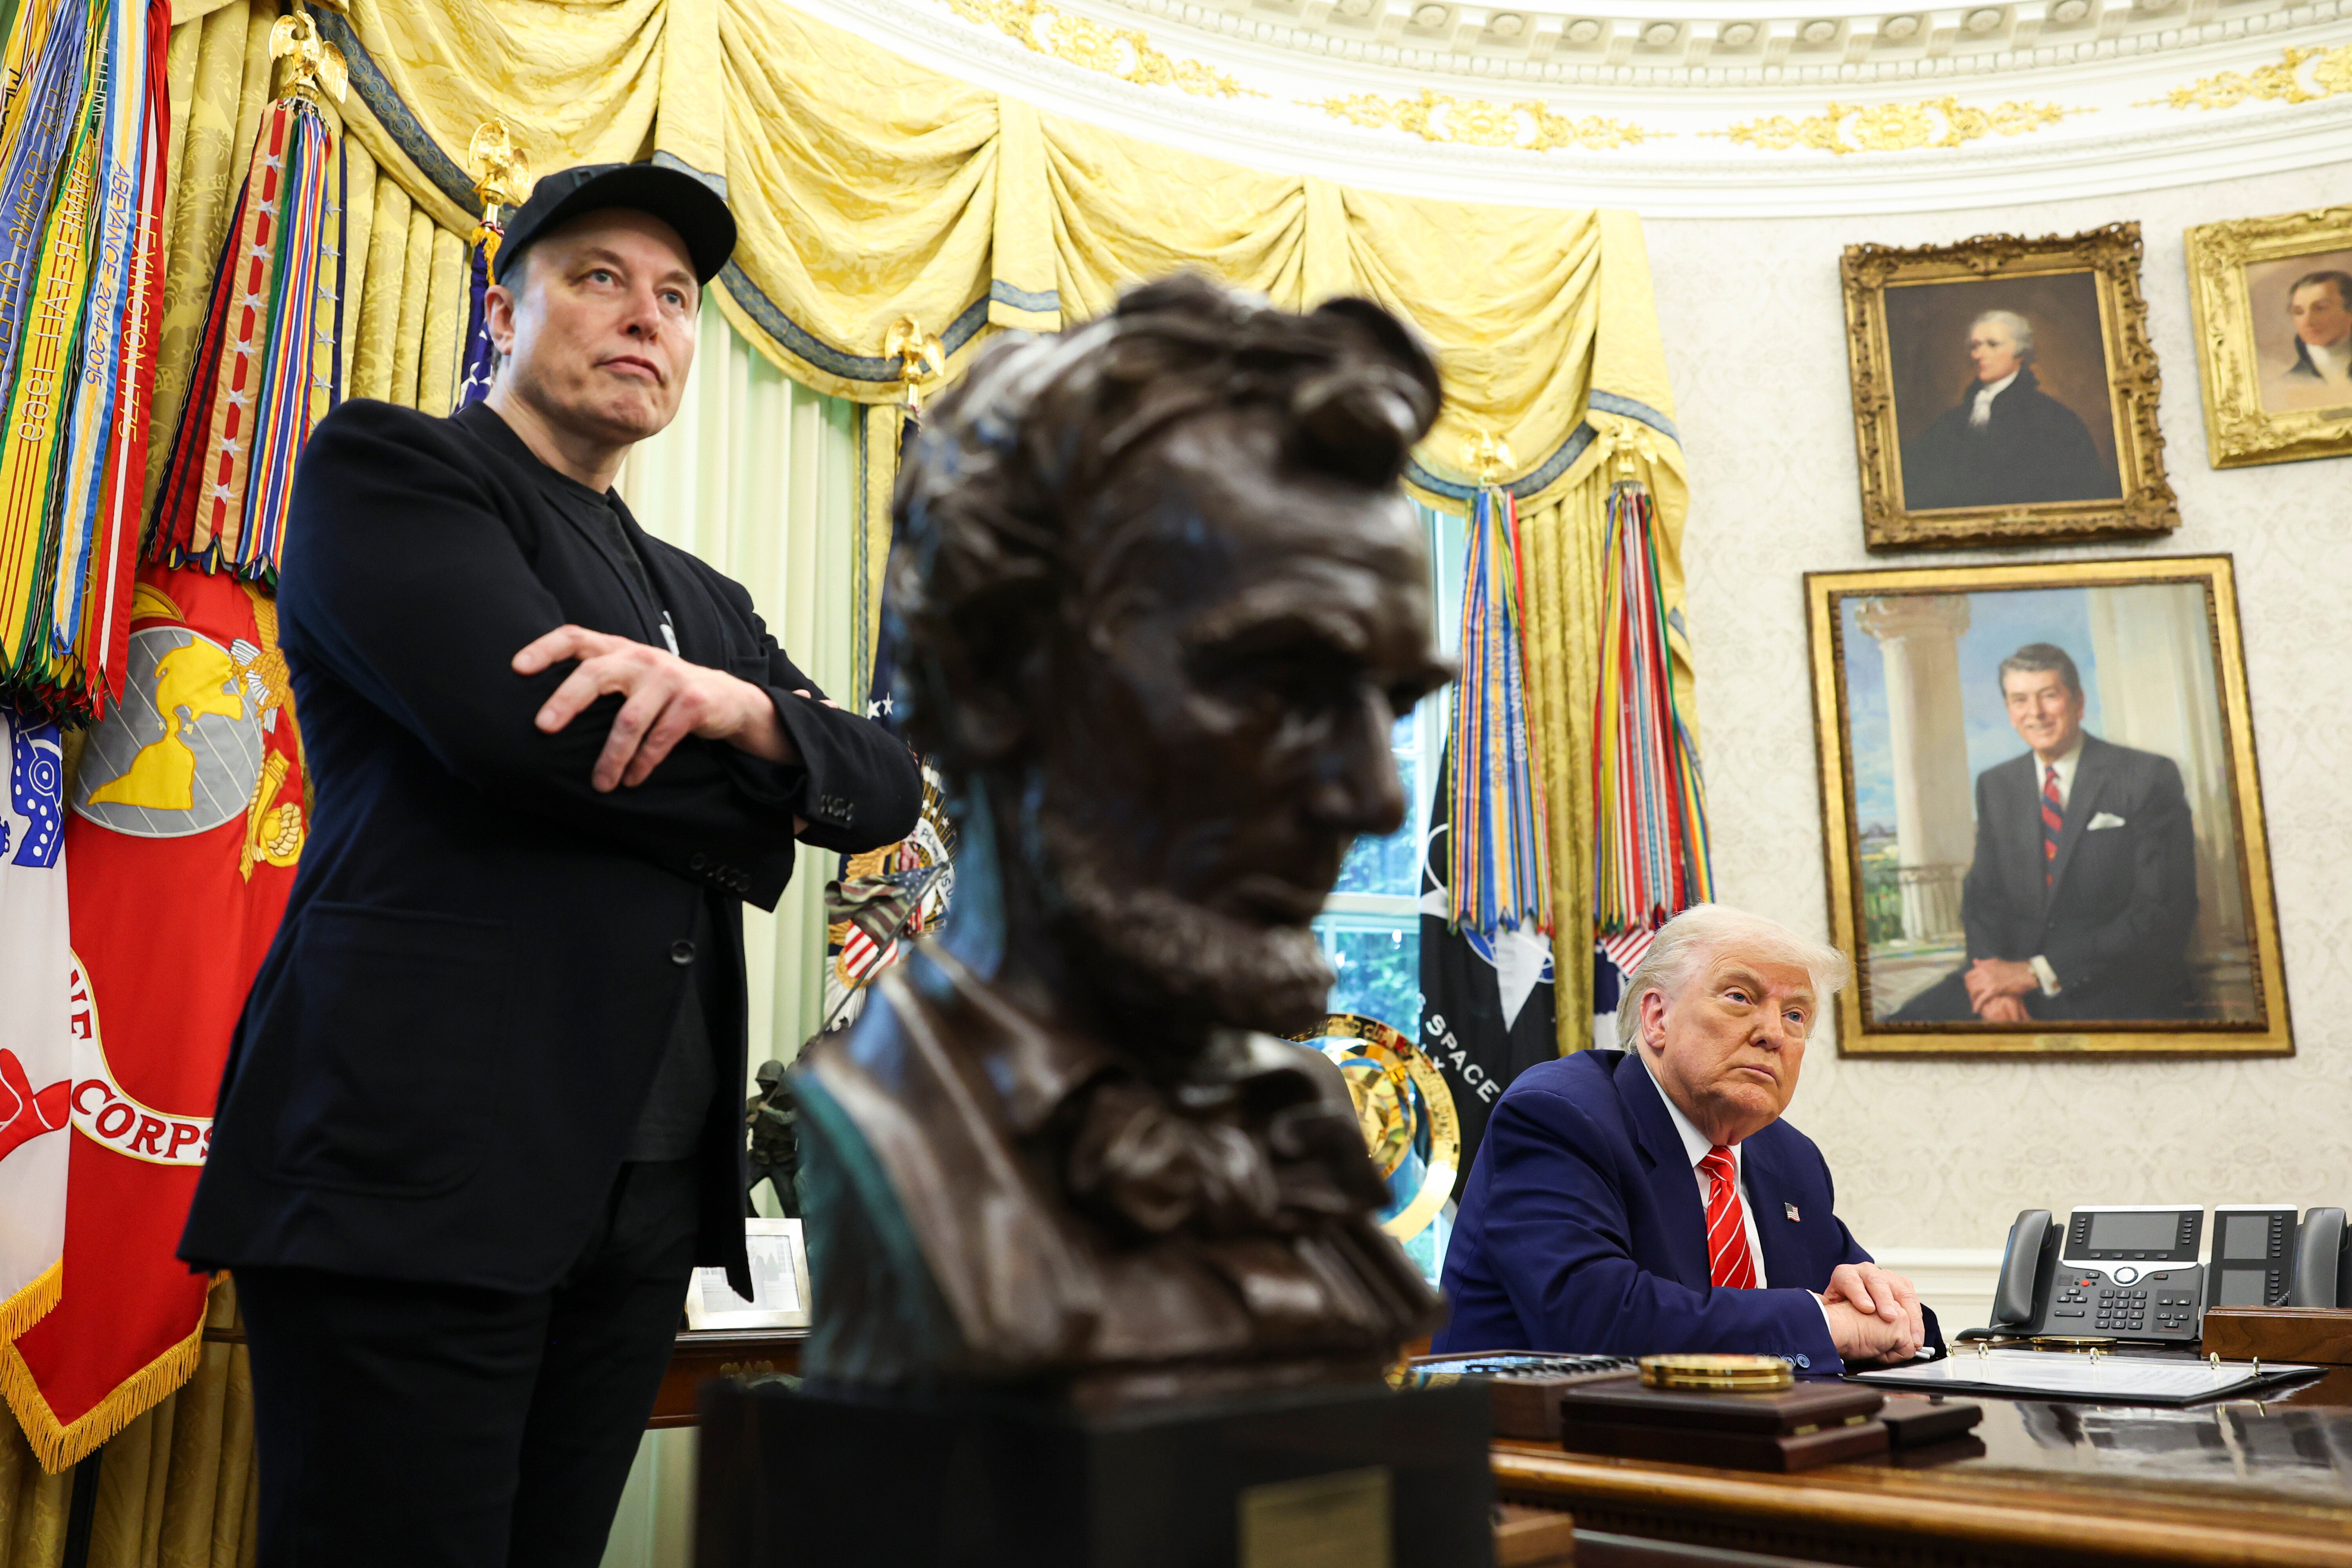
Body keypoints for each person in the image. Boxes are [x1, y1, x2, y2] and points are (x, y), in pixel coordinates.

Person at [178, 163, 923, 1567]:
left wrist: (738, 706)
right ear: (502, 310)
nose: (647, 316)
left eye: (677, 297)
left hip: (644, 1195)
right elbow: (530, 739)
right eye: (599, 277)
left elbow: (884, 779)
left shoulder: (703, 599)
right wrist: (773, 784)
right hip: (416, 1170)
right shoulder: (388, 472)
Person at [793, 276, 1451, 1403]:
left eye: (1387, 706)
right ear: (994, 679)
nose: (1377, 796)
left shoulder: (1305, 1136)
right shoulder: (896, 1133)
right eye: (1277, 684)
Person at [1434, 904, 1940, 1371]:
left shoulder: (1791, 1158)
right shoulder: (1560, 1117)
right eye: (1740, 997)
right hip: (1539, 1433)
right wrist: (1827, 1322)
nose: (1774, 1033)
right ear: (1657, 1018)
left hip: (1759, 1432)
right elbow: (1596, 1321)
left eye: (1795, 1015)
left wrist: (1887, 1308)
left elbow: (1881, 1324)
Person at [1888, 643, 2197, 1024]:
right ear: (2009, 710)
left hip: (2110, 984)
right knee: (1896, 1030)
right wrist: (1994, 985)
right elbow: (1982, 898)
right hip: (2010, 979)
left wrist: (2036, 973)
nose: (2035, 713)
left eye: (2049, 696)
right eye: (2020, 700)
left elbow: (2161, 910)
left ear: (2078, 702)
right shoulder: (1997, 784)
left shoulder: (2146, 776)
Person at [1900, 309, 2119, 510]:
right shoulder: (1953, 421)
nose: (1978, 355)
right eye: (1975, 346)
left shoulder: (2054, 420)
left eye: (1992, 345)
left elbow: (2082, 490)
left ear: (2020, 353)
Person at [2261, 269, 2352, 412]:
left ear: (2349, 311)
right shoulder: (2285, 386)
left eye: (2320, 308)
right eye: (2299, 312)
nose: (2308, 322)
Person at [744, 1059, 800, 1217]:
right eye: (763, 1085)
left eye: (770, 1085)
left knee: (791, 1204)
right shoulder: (753, 1103)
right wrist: (746, 1124)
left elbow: (787, 1119)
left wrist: (767, 1110)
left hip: (783, 1160)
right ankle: (753, 1222)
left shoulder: (791, 1103)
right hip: (759, 1157)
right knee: (736, 1188)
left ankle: (798, 1232)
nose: (766, 1089)